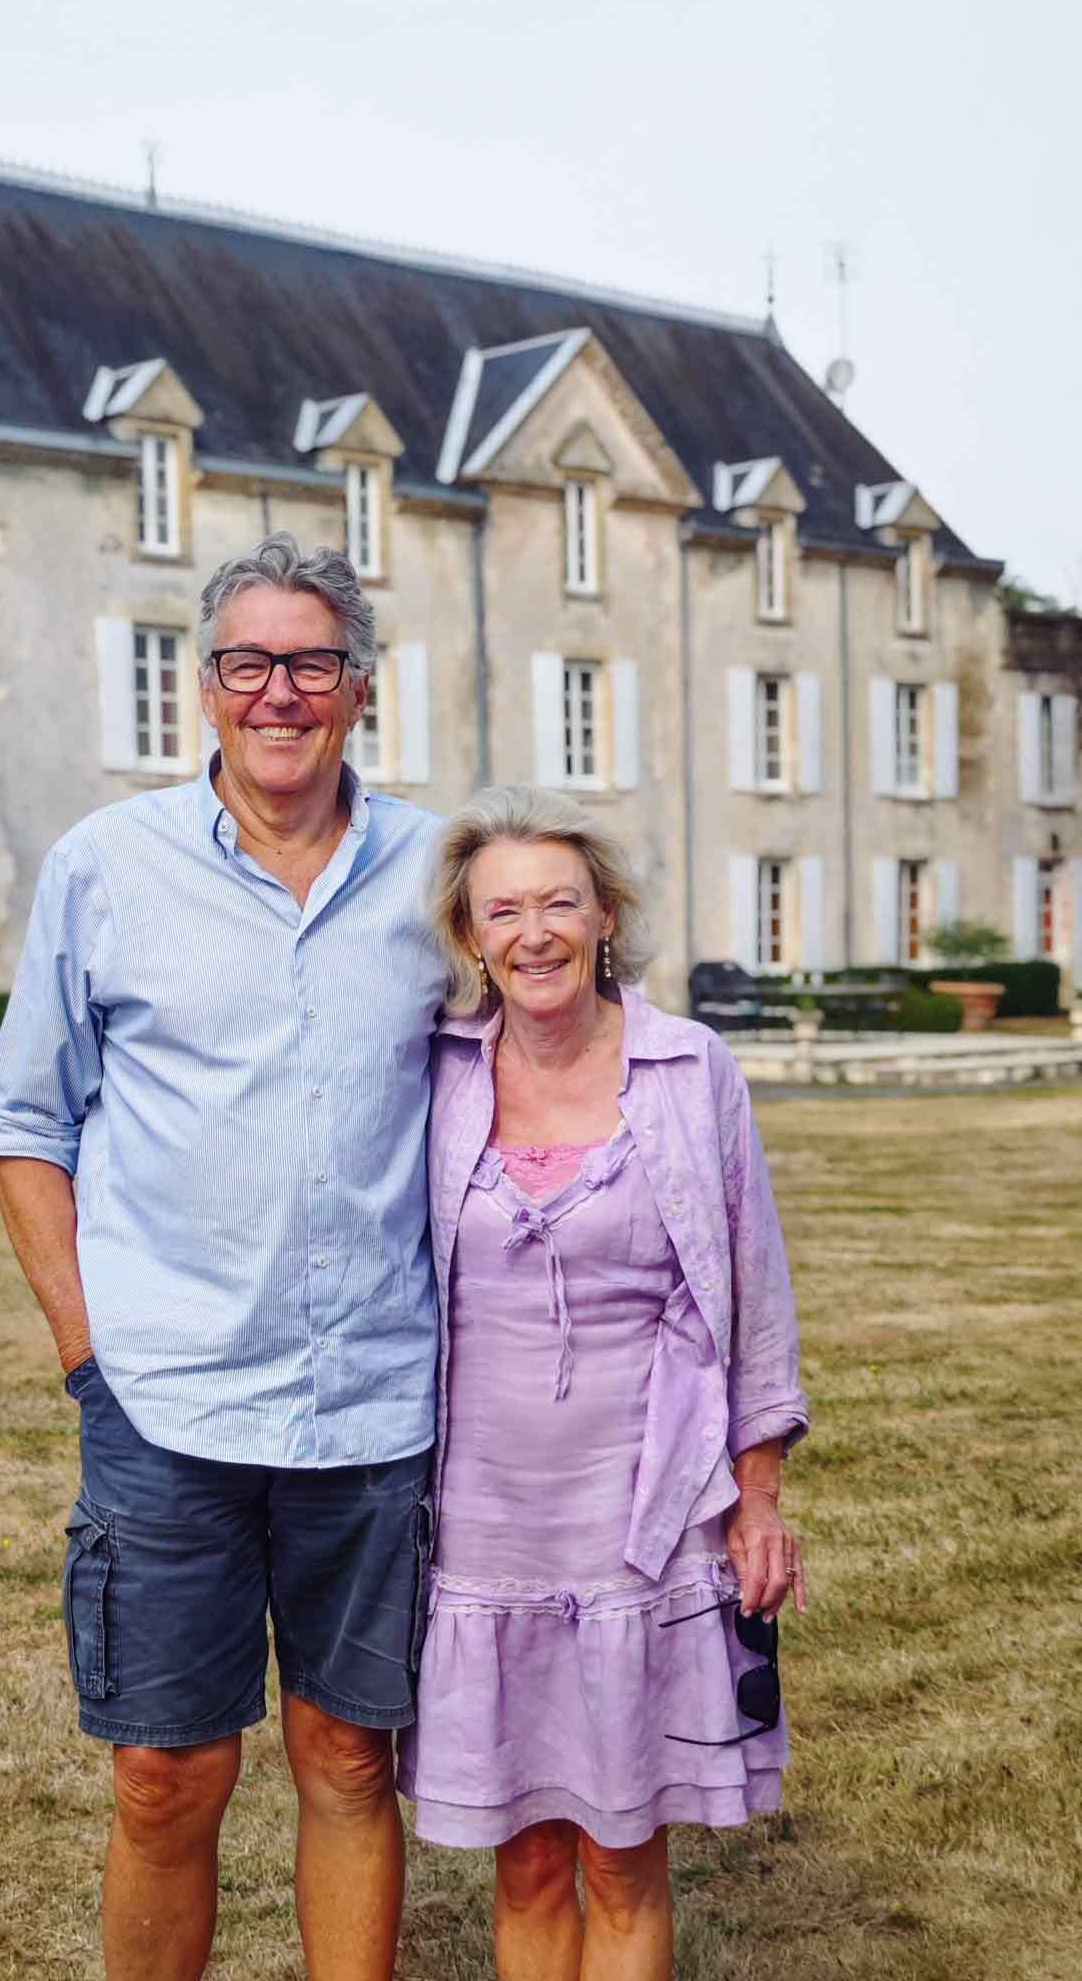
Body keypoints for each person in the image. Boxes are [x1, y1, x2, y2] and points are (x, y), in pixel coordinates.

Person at [0, 533, 448, 1981]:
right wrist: (87, 1354)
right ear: (205, 684)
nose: (278, 692)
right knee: (165, 1775)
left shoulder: (438, 871)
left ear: (359, 686)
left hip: (373, 1404)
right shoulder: (106, 867)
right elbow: (24, 1122)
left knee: (350, 1757)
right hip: (166, 1401)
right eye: (248, 662)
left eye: (311, 662)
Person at [398, 787, 809, 1981]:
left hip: (646, 1515)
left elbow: (755, 1290)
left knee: (625, 1857)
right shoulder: (436, 1072)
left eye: (560, 903)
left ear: (605, 916)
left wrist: (757, 1496)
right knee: (526, 1860)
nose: (534, 932)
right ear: (469, 935)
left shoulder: (688, 1067)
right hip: (482, 1521)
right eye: (503, 910)